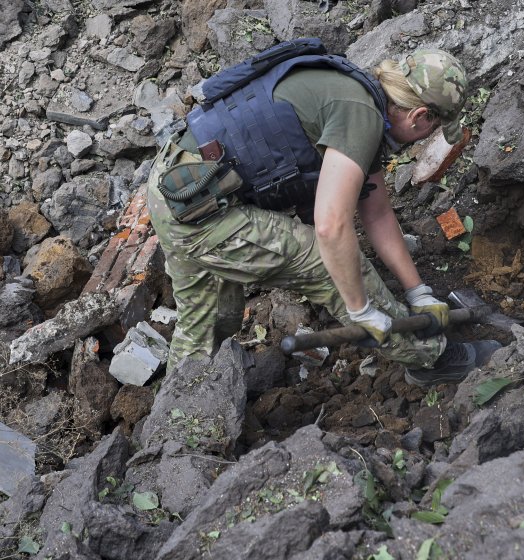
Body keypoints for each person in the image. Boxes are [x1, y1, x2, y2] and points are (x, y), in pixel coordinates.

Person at [146, 42, 500, 386]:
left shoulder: (355, 95)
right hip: (200, 206)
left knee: (207, 322)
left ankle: (179, 418)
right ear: (420, 116)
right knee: (332, 263)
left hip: (175, 186)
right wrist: (360, 309)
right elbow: (331, 228)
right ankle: (431, 359)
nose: (426, 136)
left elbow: (376, 213)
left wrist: (417, 291)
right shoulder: (359, 114)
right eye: (433, 129)